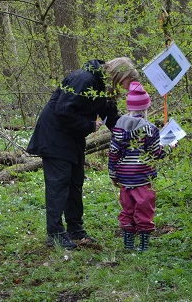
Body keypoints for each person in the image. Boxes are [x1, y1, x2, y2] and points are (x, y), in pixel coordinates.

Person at [27, 57, 139, 249]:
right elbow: (63, 110)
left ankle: (75, 229)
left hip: (72, 138)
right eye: (128, 82)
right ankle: (55, 234)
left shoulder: (105, 89)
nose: (128, 88)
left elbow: (111, 117)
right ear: (120, 76)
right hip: (55, 136)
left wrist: (132, 137)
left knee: (75, 182)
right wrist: (88, 125)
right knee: (59, 184)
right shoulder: (84, 80)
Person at [108, 81, 169, 252]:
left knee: (127, 210)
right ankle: (143, 245)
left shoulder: (118, 128)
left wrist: (113, 174)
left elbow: (114, 153)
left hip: (124, 179)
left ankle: (128, 244)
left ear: (129, 107)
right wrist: (170, 148)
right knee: (144, 211)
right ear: (146, 108)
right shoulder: (150, 130)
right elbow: (155, 154)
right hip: (143, 178)